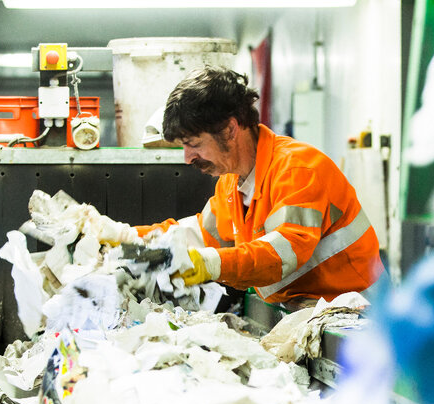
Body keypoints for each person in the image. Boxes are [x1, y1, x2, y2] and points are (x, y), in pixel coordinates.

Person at [136, 66, 385, 307]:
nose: (187, 158)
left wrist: (209, 264)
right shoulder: (231, 183)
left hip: (359, 318)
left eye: (194, 144)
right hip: (306, 311)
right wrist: (121, 236)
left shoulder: (298, 169)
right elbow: (198, 235)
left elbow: (280, 255)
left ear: (230, 130)